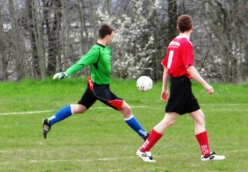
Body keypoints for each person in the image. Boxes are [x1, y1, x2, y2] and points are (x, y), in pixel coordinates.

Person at [136, 15, 225, 163]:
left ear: (178, 27)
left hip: (179, 84)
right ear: (192, 27)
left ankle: (206, 154)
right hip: (181, 83)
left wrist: (164, 88)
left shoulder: (173, 42)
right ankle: (144, 150)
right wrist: (205, 84)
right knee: (169, 120)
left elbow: (165, 68)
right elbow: (189, 68)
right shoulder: (185, 43)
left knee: (199, 117)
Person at [42, 24, 149, 143]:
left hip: (95, 86)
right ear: (107, 36)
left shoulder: (106, 49)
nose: (112, 39)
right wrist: (66, 73)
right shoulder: (96, 51)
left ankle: (49, 121)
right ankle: (146, 137)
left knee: (81, 108)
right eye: (112, 36)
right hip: (100, 90)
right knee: (126, 109)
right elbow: (81, 63)